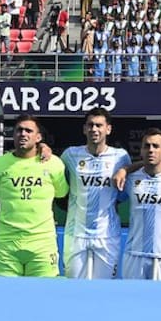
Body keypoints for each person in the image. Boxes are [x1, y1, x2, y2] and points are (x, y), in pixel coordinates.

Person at [0, 116, 68, 277]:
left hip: (42, 244)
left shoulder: (54, 164)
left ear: (38, 137)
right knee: (4, 292)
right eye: (19, 130)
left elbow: (61, 194)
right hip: (7, 243)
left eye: (28, 130)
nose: (23, 134)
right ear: (13, 135)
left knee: (43, 292)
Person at [61, 108, 129, 279]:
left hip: (107, 236)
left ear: (108, 129)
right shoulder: (70, 155)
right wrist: (44, 147)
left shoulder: (121, 157)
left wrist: (125, 169)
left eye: (99, 125)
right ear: (84, 129)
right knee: (73, 288)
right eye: (90, 125)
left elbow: (138, 169)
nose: (94, 129)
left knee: (105, 289)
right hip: (75, 235)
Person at [120, 129, 161, 280]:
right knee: (131, 296)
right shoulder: (130, 179)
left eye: (156, 146)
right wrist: (124, 170)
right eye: (147, 146)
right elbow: (115, 201)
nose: (151, 150)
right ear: (141, 151)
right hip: (134, 255)